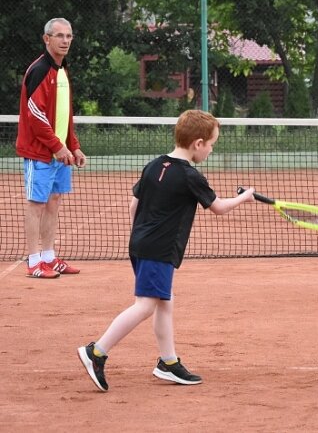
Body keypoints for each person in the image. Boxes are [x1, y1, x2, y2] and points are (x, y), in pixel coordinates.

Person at [77, 110, 257, 392]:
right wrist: (243, 198)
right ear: (198, 143)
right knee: (146, 306)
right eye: (211, 144)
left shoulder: (153, 164)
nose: (211, 149)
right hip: (159, 249)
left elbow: (133, 205)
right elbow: (219, 207)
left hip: (140, 244)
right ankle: (96, 352)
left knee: (165, 301)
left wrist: (144, 231)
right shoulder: (190, 176)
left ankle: (168, 363)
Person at [16, 17, 87, 279]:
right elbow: (35, 115)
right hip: (41, 153)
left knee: (54, 202)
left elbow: (63, 115)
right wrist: (58, 147)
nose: (65, 41)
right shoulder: (40, 70)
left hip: (60, 153)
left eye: (69, 36)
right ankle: (34, 261)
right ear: (47, 39)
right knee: (37, 204)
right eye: (59, 36)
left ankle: (49, 256)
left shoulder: (62, 70)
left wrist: (74, 146)